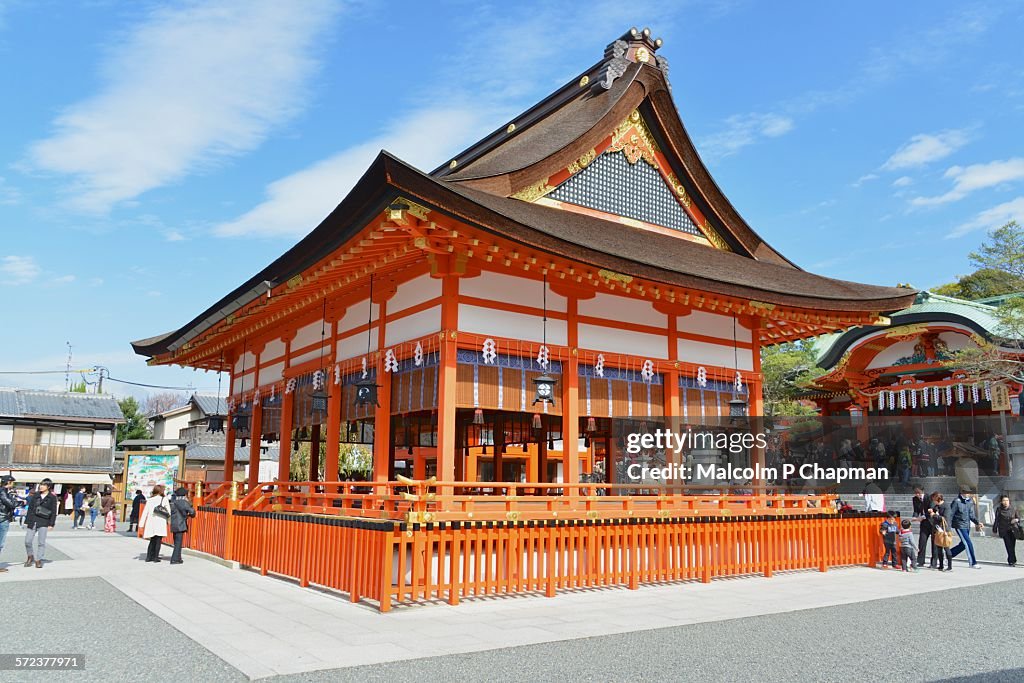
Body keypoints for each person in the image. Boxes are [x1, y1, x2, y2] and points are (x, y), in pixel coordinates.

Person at [24, 478, 58, 568]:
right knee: (27, 541)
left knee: (41, 542)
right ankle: (30, 556)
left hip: (44, 521)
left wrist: (52, 524)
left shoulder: (52, 497)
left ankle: (38, 560)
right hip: (33, 520)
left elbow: (54, 511)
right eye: (41, 484)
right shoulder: (35, 495)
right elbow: (30, 508)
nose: (41, 486)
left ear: (48, 486)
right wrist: (27, 521)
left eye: (43, 485)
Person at [949, 487, 983, 569]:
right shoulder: (956, 501)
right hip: (959, 525)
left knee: (963, 545)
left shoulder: (969, 501)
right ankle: (973, 562)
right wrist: (948, 527)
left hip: (967, 525)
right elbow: (950, 514)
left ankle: (948, 555)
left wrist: (977, 522)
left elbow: (971, 514)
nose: (968, 494)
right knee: (968, 543)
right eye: (966, 492)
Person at [139, 484, 169, 562]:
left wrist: (141, 524)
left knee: (152, 540)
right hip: (160, 521)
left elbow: (145, 512)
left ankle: (149, 557)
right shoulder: (164, 499)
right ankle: (155, 557)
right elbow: (168, 511)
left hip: (151, 522)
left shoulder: (150, 500)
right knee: (158, 540)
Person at [168, 487, 196, 565]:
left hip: (174, 523)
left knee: (176, 541)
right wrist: (191, 514)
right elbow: (192, 511)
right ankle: (174, 559)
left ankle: (178, 557)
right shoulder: (183, 502)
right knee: (178, 542)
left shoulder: (173, 501)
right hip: (180, 523)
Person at [0, 475, 21, 572]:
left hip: (3, 518)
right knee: (0, 543)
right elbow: (12, 504)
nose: (13, 484)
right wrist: (20, 502)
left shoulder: (4, 491)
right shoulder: (3, 492)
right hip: (2, 519)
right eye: (12, 482)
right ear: (8, 482)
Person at [992, 494, 1019, 567]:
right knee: (1008, 545)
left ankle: (1011, 559)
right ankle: (1012, 561)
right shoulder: (999, 509)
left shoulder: (1013, 508)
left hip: (1013, 530)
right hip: (1004, 530)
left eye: (1007, 500)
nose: (1006, 502)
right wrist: (994, 529)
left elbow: (1018, 517)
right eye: (1004, 500)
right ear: (1001, 502)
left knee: (1012, 546)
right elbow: (997, 520)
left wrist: (1016, 520)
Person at [929, 492, 953, 571]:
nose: (933, 502)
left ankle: (949, 566)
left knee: (946, 547)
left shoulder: (946, 506)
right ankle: (941, 565)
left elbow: (945, 518)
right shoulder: (936, 506)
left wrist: (934, 515)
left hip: (944, 529)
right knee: (938, 547)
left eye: (934, 500)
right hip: (937, 529)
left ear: (938, 499)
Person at [912, 486, 933, 567]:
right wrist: (914, 517)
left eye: (919, 493)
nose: (918, 495)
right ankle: (920, 561)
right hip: (924, 523)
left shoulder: (929, 497)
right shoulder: (915, 499)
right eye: (916, 493)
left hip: (932, 522)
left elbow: (932, 509)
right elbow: (916, 510)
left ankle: (933, 562)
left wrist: (922, 517)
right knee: (922, 541)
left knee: (934, 543)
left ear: (923, 491)